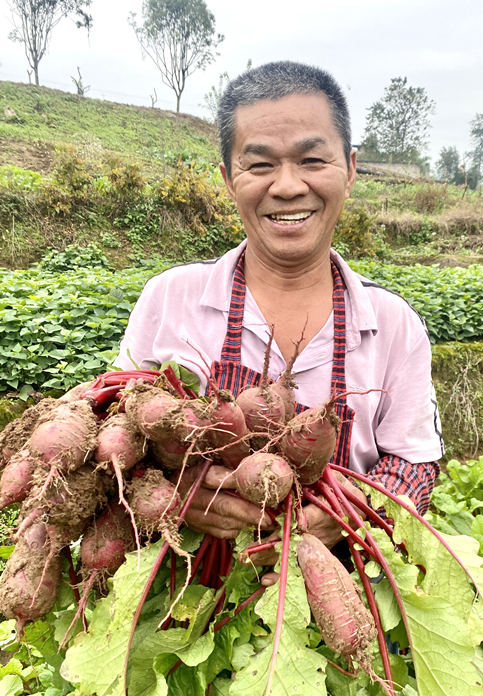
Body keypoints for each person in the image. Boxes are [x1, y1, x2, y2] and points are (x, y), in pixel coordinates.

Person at [114, 61, 444, 577]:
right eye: (260, 165)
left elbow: (417, 465)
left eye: (312, 159)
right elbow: (115, 433)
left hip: (340, 585)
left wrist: (349, 511)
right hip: (182, 589)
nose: (288, 186)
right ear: (228, 179)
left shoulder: (393, 322)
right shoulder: (168, 298)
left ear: (351, 170)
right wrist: (174, 495)